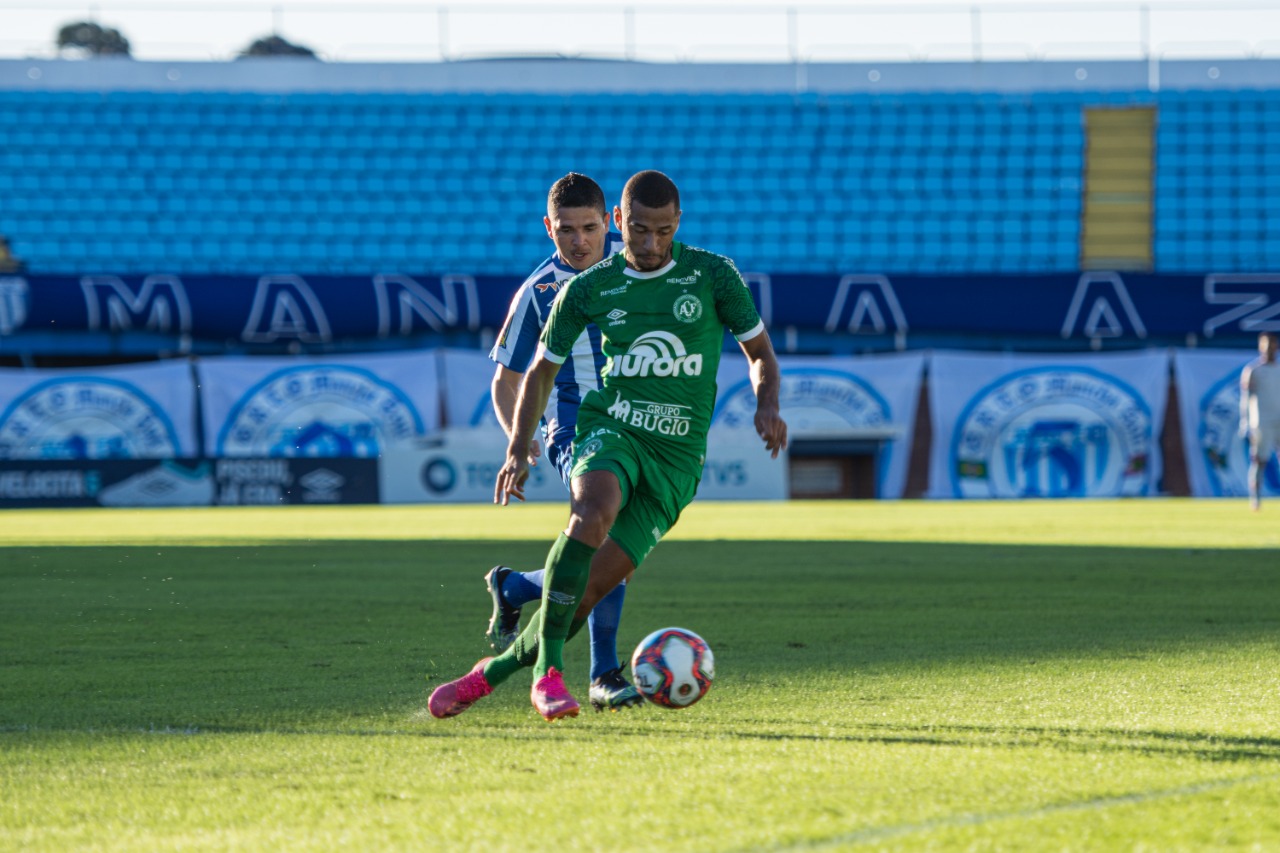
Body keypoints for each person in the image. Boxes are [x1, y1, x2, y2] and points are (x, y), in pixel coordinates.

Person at [429, 169, 788, 721]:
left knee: (593, 583)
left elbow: (760, 351)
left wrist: (767, 403)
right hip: (599, 426)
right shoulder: (570, 290)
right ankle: (566, 673)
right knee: (593, 514)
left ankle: (493, 668)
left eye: (662, 232)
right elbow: (530, 374)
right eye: (640, 231)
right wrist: (517, 444)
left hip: (675, 459)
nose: (649, 245)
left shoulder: (711, 275)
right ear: (623, 222)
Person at [484, 172, 641, 711]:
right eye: (566, 230)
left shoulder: (640, 263)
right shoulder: (539, 293)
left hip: (637, 425)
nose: (578, 241)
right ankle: (604, 674)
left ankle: (518, 587)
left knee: (617, 551)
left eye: (590, 228)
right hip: (575, 429)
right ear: (549, 228)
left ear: (610, 224)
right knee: (603, 534)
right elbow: (505, 379)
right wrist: (518, 439)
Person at [1239, 331, 1280, 511]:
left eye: (1272, 344)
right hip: (1261, 422)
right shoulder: (1253, 371)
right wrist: (1245, 422)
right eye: (1266, 344)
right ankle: (1255, 499)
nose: (1269, 348)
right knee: (1259, 460)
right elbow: (1245, 399)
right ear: (1260, 346)